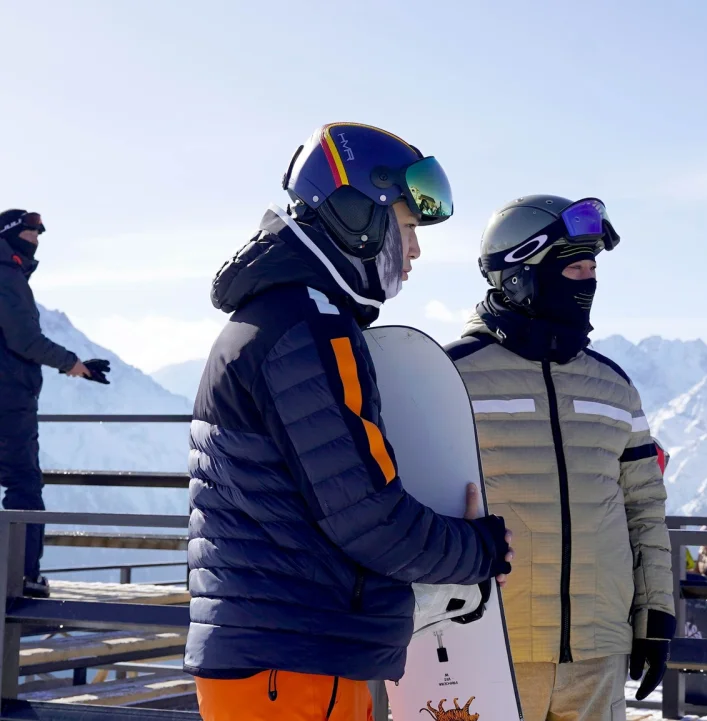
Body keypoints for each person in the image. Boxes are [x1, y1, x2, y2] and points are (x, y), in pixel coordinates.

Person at [185, 123, 513, 721]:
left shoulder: (280, 316)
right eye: (407, 227)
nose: (415, 251)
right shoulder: (309, 329)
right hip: (296, 663)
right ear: (358, 218)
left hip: (283, 655)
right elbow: (367, 518)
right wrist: (479, 549)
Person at [445, 195, 675, 720]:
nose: (588, 281)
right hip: (486, 644)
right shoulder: (449, 375)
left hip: (597, 653)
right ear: (521, 275)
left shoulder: (614, 386)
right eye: (574, 268)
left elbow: (644, 508)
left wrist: (655, 615)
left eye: (593, 268)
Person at [0, 209, 108, 598]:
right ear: (10, 235)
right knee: (24, 485)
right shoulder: (7, 276)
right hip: (9, 398)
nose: (37, 238)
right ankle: (21, 578)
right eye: (31, 232)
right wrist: (73, 364)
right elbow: (24, 340)